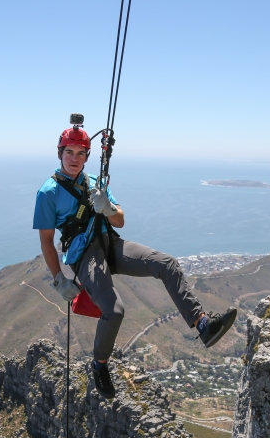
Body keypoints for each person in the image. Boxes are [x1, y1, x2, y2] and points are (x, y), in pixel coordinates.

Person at [33, 125, 237, 399]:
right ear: (60, 154)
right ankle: (100, 365)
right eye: (69, 152)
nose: (75, 158)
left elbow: (120, 220)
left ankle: (203, 325)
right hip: (85, 255)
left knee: (166, 264)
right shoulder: (48, 192)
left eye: (81, 153)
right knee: (114, 310)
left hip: (110, 243)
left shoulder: (95, 182)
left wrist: (108, 207)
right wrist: (58, 278)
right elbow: (46, 240)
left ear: (87, 156)